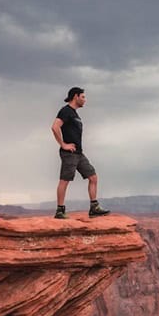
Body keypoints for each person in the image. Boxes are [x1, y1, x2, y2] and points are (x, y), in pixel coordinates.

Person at [51, 87, 111, 219]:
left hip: (79, 153)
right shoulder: (65, 111)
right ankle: (60, 211)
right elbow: (55, 127)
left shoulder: (75, 113)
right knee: (65, 180)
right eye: (83, 97)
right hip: (69, 153)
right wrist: (63, 144)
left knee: (93, 177)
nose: (85, 100)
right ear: (75, 96)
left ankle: (94, 207)